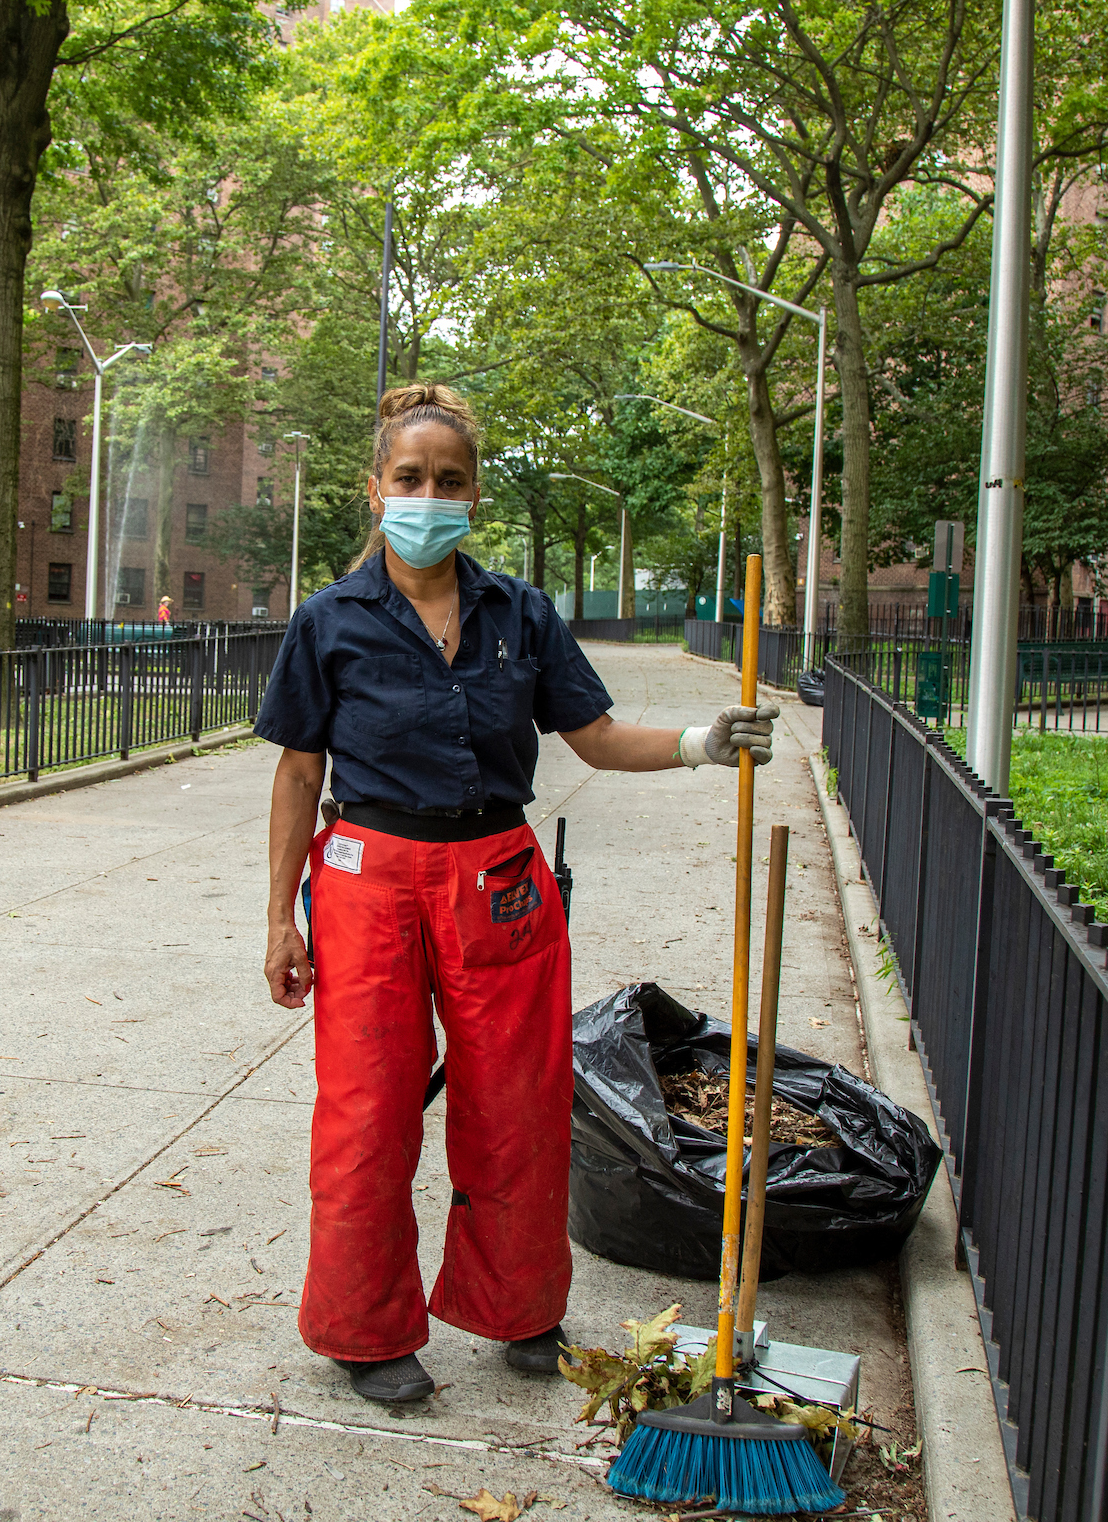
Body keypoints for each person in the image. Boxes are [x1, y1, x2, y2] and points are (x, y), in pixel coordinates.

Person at [254, 383, 778, 1405]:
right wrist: (281, 914)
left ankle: (520, 1304)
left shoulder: (522, 615)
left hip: (497, 880)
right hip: (367, 882)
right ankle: (365, 1327)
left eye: (448, 480)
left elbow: (593, 736)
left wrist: (698, 745)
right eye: (410, 478)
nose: (428, 495)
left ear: (474, 496)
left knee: (518, 1105)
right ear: (376, 490)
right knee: (367, 1113)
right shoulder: (330, 622)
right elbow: (296, 775)